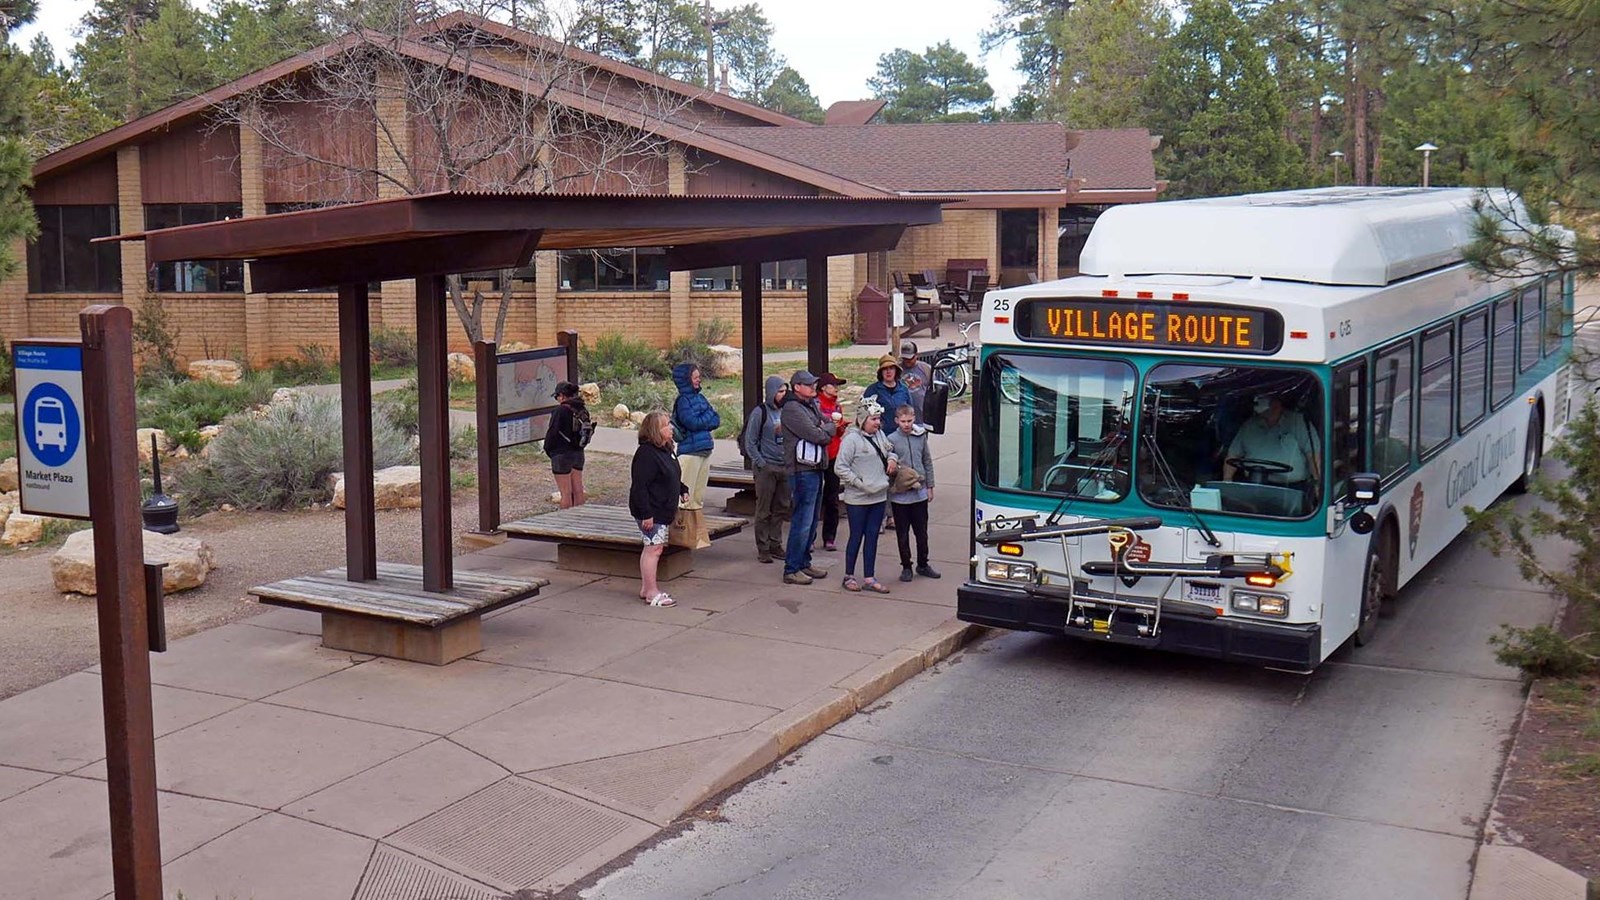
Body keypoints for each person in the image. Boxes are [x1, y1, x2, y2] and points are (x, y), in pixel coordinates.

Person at [779, 370, 838, 585]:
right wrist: (826, 429)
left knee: (812, 520)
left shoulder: (811, 405)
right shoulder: (792, 409)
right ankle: (792, 568)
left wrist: (826, 427)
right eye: (809, 384)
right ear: (797, 387)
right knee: (802, 521)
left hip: (815, 468)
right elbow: (818, 434)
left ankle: (804, 562)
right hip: (802, 471)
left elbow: (827, 424)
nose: (814, 387)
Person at [834, 399, 897, 593]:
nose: (877, 423)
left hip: (878, 496)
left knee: (872, 537)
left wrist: (893, 460)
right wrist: (859, 483)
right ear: (862, 419)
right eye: (873, 419)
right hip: (857, 499)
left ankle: (869, 577)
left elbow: (890, 450)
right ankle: (849, 575)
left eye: (878, 419)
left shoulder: (880, 435)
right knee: (856, 536)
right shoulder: (851, 440)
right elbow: (840, 467)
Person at [629, 410, 688, 608]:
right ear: (656, 430)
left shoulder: (666, 449)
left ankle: (646, 588)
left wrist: (682, 489)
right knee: (654, 549)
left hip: (663, 509)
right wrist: (646, 514)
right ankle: (651, 592)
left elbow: (671, 475)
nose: (670, 428)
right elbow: (640, 486)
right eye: (666, 425)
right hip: (652, 510)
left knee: (652, 547)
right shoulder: (646, 454)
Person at [886, 404, 940, 582]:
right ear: (896, 421)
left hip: (920, 492)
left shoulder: (920, 436)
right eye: (903, 421)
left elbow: (927, 460)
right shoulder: (891, 439)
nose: (907, 425)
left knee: (921, 532)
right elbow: (888, 469)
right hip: (900, 495)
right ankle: (906, 565)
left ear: (914, 419)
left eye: (909, 421)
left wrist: (930, 485)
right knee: (902, 533)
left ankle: (923, 563)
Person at [741, 375, 791, 564]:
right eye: (780, 391)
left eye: (785, 391)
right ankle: (763, 547)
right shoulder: (759, 413)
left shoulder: (787, 410)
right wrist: (761, 463)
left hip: (784, 466)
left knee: (781, 507)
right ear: (771, 392)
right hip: (766, 467)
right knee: (764, 509)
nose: (783, 395)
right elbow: (750, 441)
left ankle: (775, 543)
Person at [1223, 394, 1321, 489]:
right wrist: (1227, 481)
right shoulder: (1249, 426)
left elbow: (1313, 455)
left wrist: (1318, 484)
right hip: (1254, 486)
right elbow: (1232, 455)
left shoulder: (1299, 422)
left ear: (1277, 403)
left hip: (1292, 489)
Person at [670, 362, 720, 511]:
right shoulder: (683, 401)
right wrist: (707, 415)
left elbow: (716, 419)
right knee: (686, 497)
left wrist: (704, 418)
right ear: (686, 379)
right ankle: (683, 530)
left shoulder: (701, 398)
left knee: (698, 498)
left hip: (704, 451)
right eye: (695, 377)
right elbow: (693, 423)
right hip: (690, 453)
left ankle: (695, 528)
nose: (699, 380)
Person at [544, 381, 590, 508]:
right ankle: (580, 519)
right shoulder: (582, 410)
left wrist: (549, 450)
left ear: (562, 396)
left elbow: (552, 434)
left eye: (556, 396)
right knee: (578, 491)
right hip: (578, 453)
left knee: (566, 493)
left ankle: (566, 521)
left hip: (561, 455)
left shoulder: (560, 411)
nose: (557, 399)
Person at [816, 372, 848, 552]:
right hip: (818, 456)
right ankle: (810, 537)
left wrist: (841, 428)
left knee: (832, 498)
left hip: (834, 455)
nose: (836, 388)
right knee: (814, 497)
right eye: (833, 385)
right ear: (823, 388)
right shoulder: (816, 405)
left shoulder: (837, 406)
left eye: (838, 385)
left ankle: (829, 537)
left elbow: (838, 433)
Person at [898, 340, 935, 424]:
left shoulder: (926, 369)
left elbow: (934, 391)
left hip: (921, 417)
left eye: (910, 358)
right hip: (903, 419)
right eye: (904, 358)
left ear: (916, 355)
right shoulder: (897, 370)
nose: (907, 361)